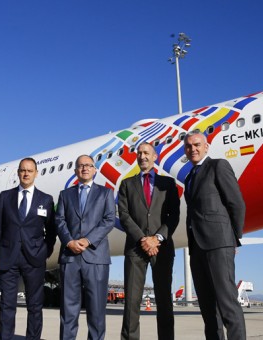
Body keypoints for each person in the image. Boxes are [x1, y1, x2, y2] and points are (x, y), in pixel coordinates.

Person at [183, 131, 247, 340]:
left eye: (197, 144)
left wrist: (232, 238)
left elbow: (236, 203)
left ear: (206, 146)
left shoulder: (218, 166)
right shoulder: (190, 177)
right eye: (189, 146)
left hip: (219, 244)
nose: (193, 149)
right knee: (208, 308)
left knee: (227, 303)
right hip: (197, 246)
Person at [118, 142, 179, 340]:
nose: (142, 156)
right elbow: (124, 215)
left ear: (154, 157)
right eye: (139, 153)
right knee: (132, 303)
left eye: (146, 153)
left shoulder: (168, 184)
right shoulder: (127, 184)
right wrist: (143, 239)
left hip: (162, 248)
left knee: (164, 300)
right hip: (135, 249)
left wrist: (157, 238)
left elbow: (174, 215)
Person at [0, 157, 57, 340]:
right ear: (18, 173)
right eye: (23, 170)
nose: (26, 173)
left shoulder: (45, 199)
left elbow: (52, 231)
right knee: (7, 305)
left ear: (36, 173)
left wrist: (46, 251)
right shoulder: (5, 197)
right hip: (8, 257)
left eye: (30, 170)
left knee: (35, 306)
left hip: (34, 258)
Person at [55, 155, 115, 340]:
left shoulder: (106, 193)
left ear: (95, 170)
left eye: (88, 165)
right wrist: (69, 241)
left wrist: (88, 240)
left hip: (96, 257)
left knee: (96, 311)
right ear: (75, 171)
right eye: (81, 166)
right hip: (70, 257)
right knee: (68, 310)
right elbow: (59, 220)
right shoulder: (65, 195)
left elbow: (109, 220)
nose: (85, 169)